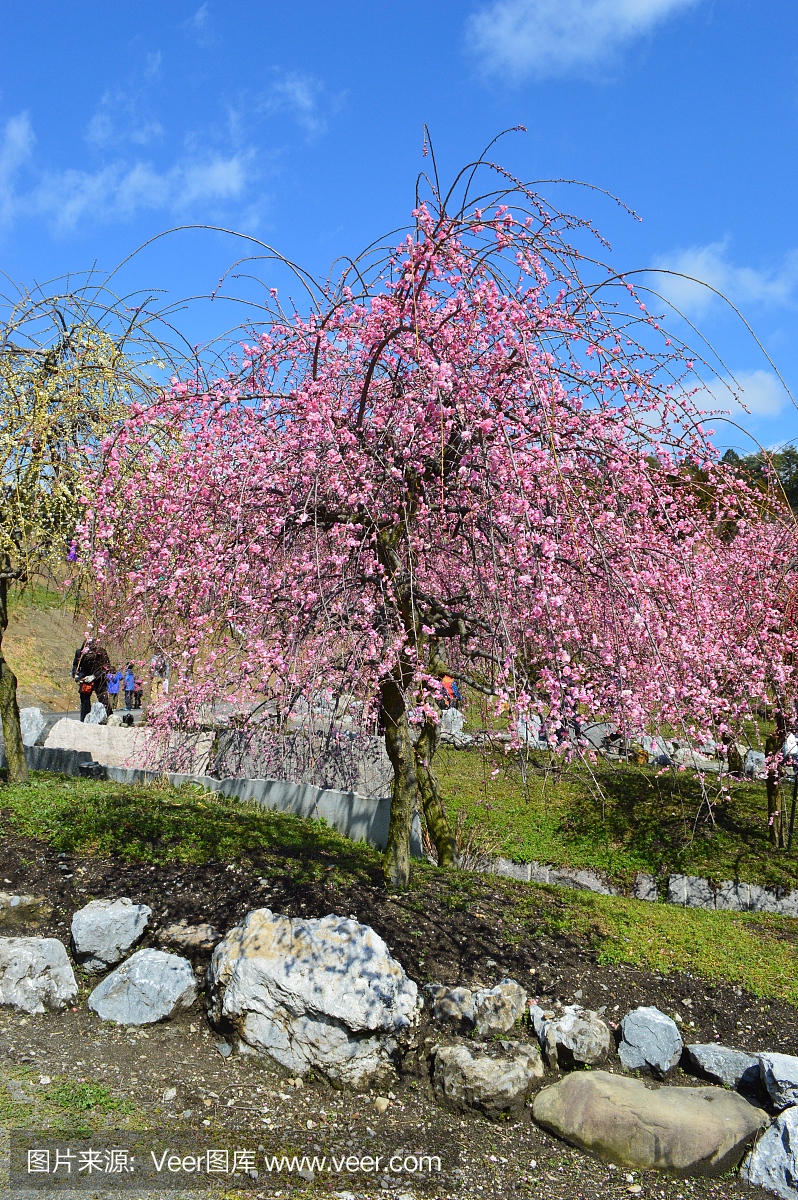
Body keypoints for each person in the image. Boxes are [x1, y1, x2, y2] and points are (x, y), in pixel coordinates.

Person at [71, 638, 112, 721]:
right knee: (84, 701)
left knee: (104, 700)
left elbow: (106, 667)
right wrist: (77, 675)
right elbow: (76, 666)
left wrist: (94, 676)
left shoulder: (102, 652)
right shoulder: (79, 653)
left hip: (99, 678)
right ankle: (84, 720)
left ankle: (110, 717)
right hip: (85, 678)